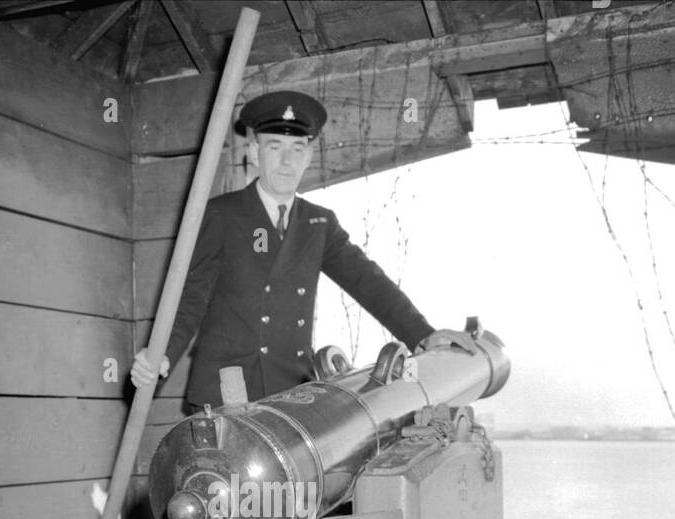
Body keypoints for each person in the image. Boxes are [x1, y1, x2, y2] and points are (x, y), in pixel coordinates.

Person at [131, 89, 476, 409]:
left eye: (297, 150)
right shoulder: (222, 214)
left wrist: (423, 335)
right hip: (227, 390)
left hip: (290, 393)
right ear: (253, 153)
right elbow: (191, 297)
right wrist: (162, 353)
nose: (286, 161)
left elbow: (369, 283)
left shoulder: (319, 225)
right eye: (274, 146)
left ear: (309, 156)